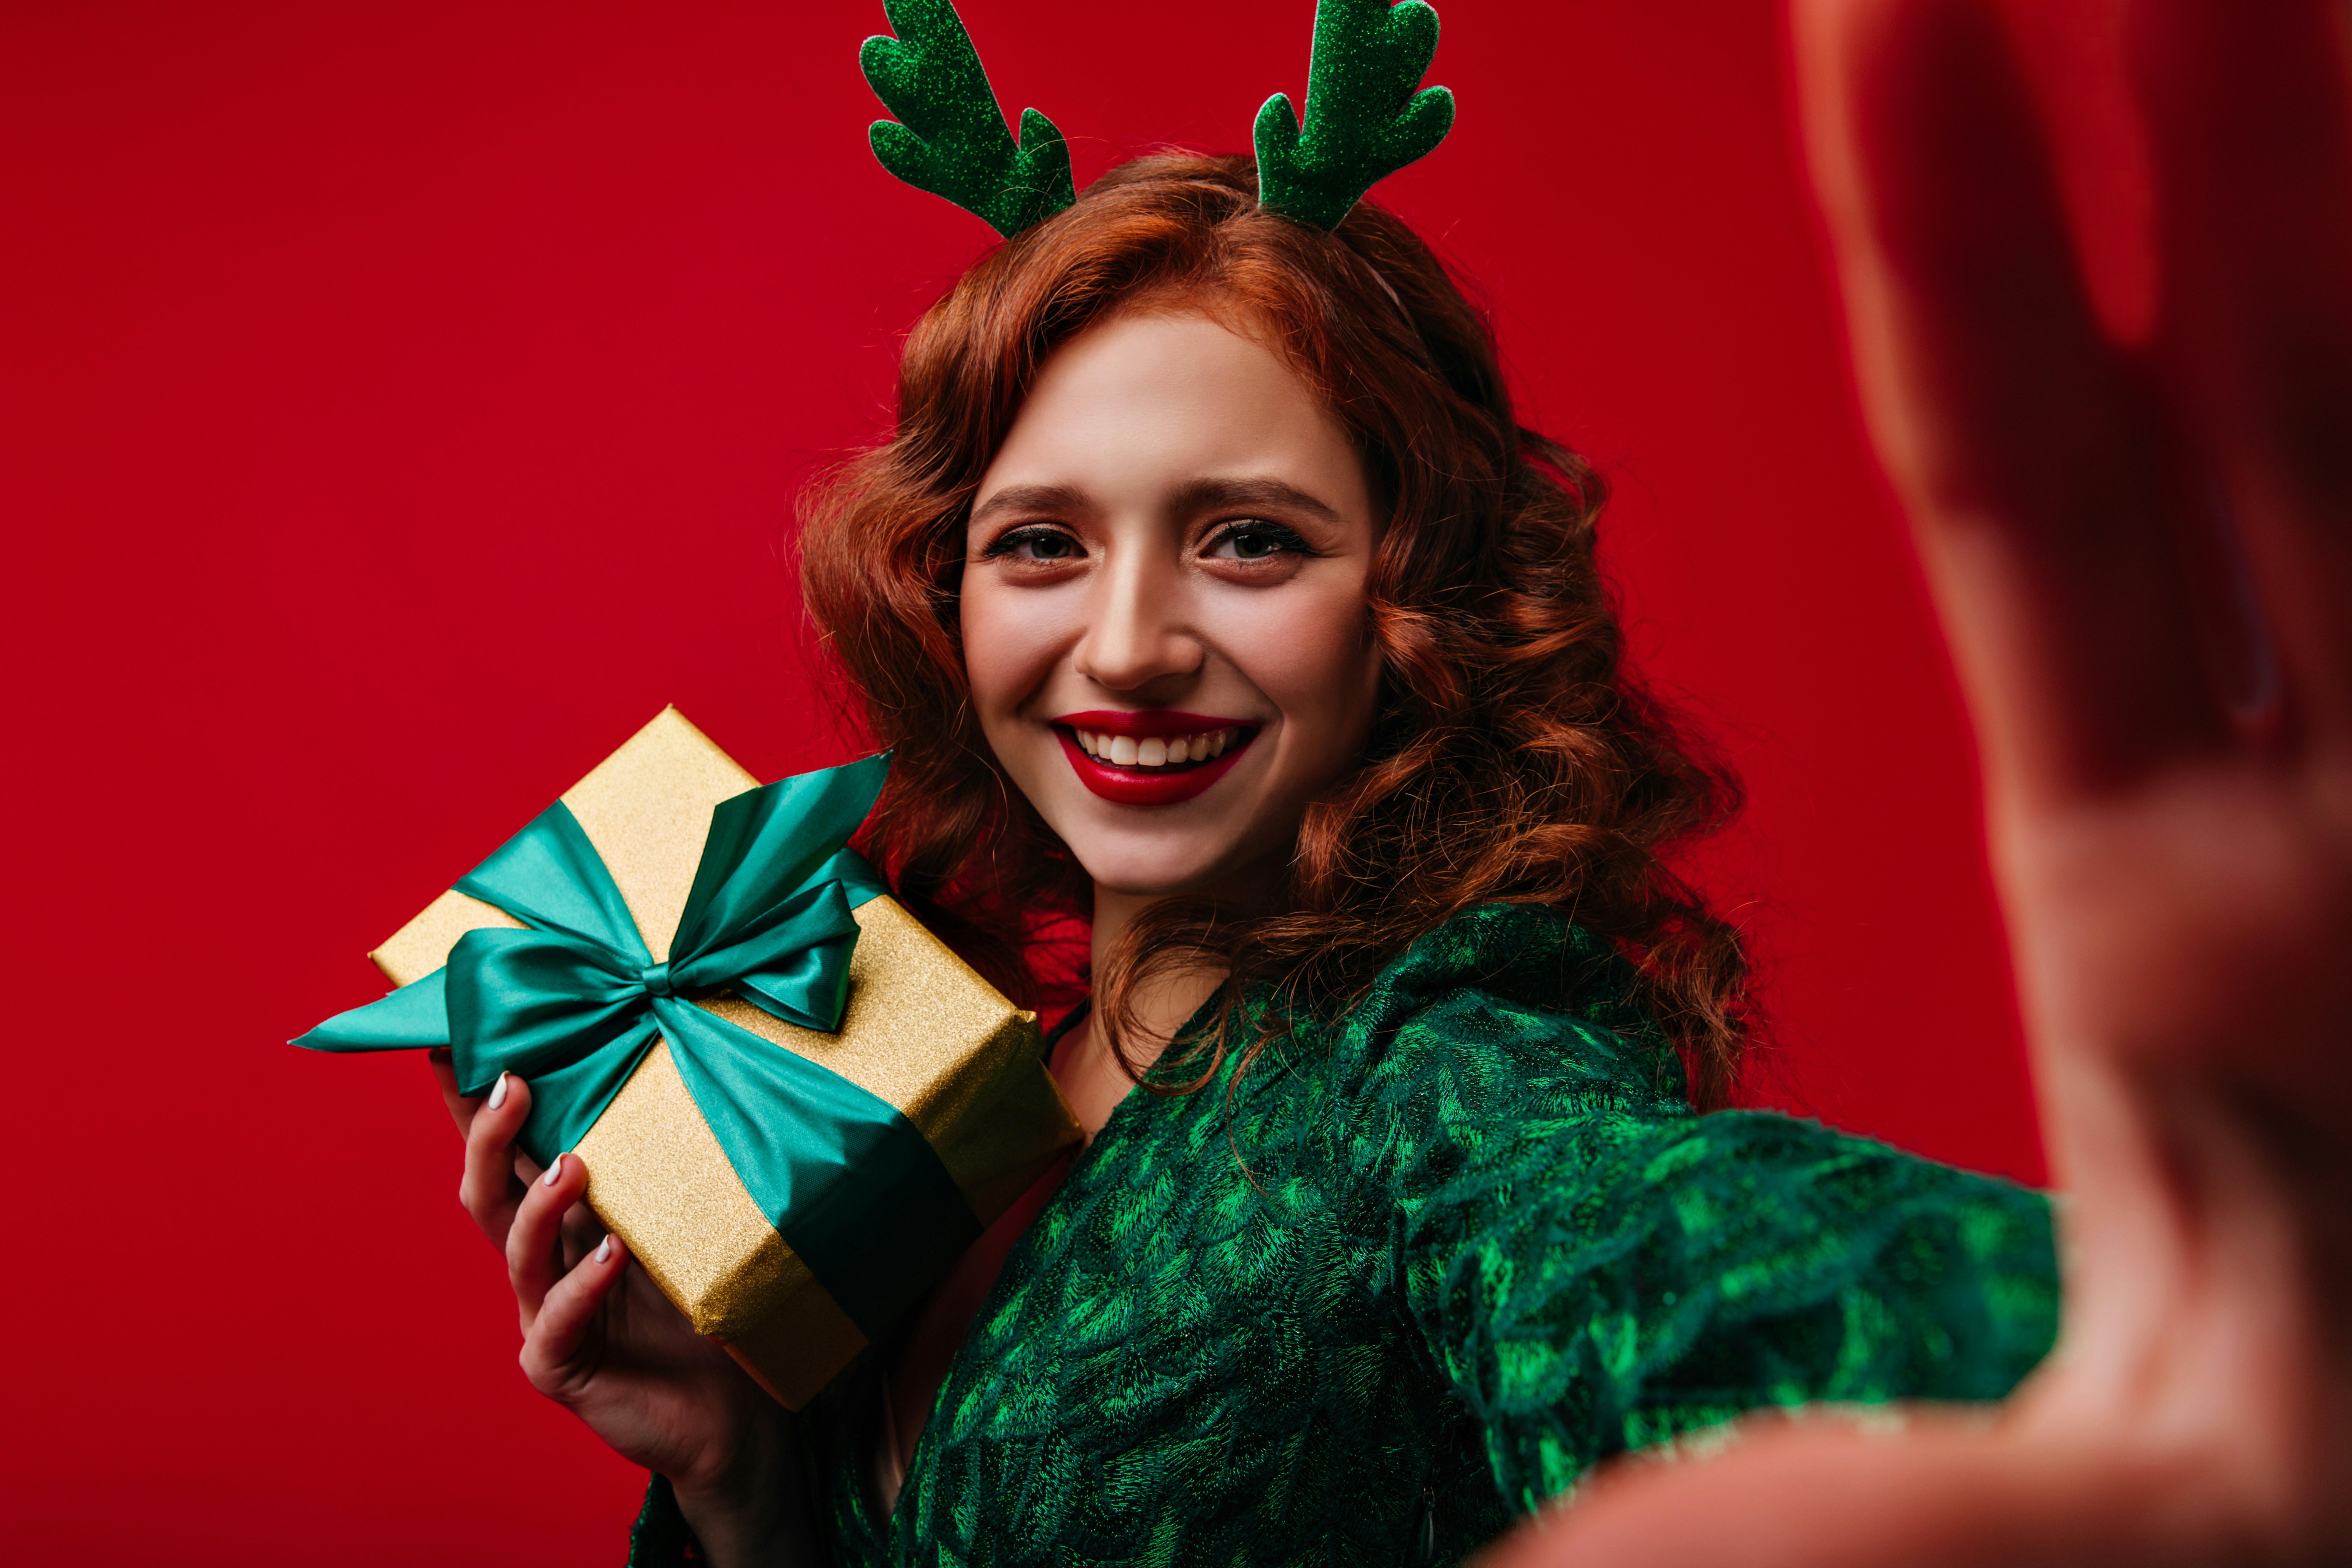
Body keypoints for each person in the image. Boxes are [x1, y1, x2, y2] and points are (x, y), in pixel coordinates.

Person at [428, 1, 2352, 1563]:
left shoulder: (1433, 1064)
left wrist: (2145, 1354)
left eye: (1249, 541)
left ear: (1406, 599)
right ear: (944, 594)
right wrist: (746, 1491)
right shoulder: (922, 1086)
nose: (1126, 644)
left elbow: (1653, 1252)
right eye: (1041, 545)